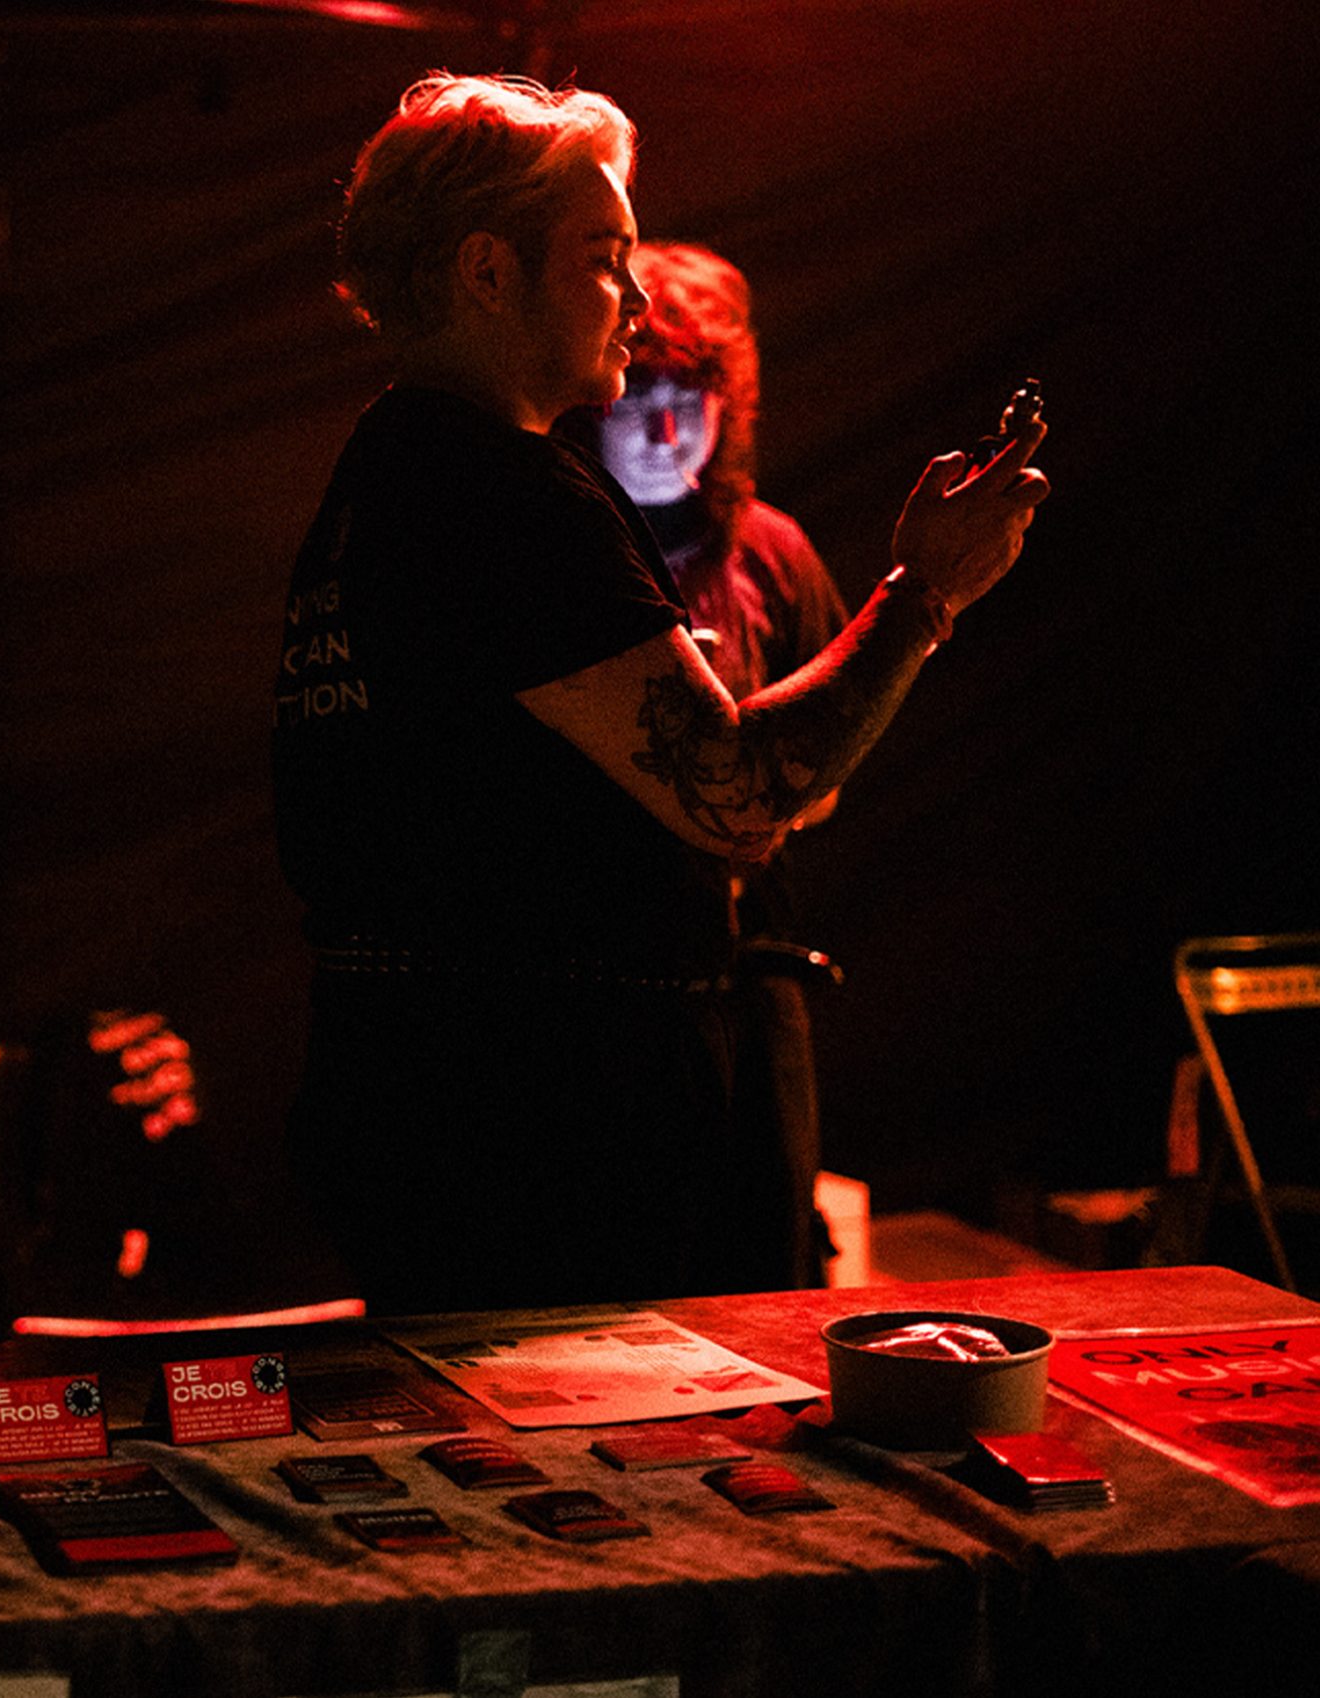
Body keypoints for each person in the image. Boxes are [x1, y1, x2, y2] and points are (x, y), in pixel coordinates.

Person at [270, 74, 1046, 1315]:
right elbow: (735, 795)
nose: (636, 300)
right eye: (602, 257)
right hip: (532, 1137)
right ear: (484, 270)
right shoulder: (501, 496)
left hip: (441, 1105)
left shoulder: (389, 469)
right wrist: (925, 596)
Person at [558, 242, 850, 1288]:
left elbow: (828, 769)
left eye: (693, 401)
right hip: (588, 996)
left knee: (764, 1273)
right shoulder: (558, 546)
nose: (666, 433)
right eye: (642, 400)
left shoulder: (772, 552)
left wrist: (752, 791)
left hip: (747, 972)